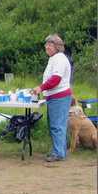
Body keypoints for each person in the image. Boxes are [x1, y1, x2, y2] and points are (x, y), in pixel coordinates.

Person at [32, 34, 72, 162]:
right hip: (55, 96)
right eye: (46, 44)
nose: (47, 47)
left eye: (50, 44)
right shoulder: (54, 58)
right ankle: (60, 150)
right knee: (57, 125)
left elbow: (56, 79)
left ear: (58, 46)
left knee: (57, 126)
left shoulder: (59, 58)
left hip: (59, 96)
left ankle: (58, 153)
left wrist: (41, 88)